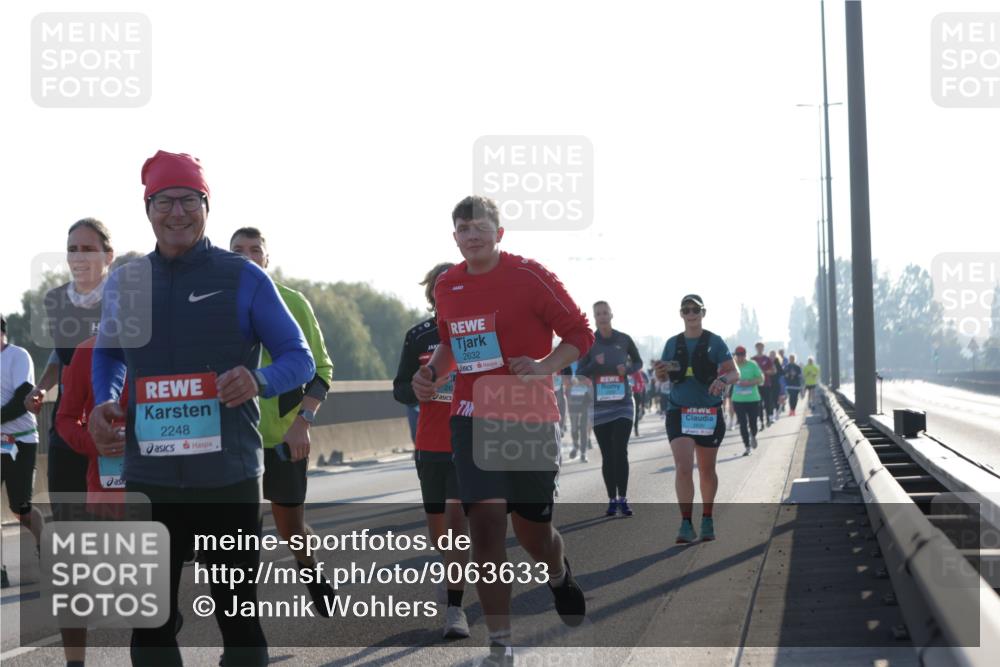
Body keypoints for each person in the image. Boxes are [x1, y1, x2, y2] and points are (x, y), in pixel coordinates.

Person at [89, 150, 315, 667]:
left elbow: (299, 359)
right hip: (149, 475)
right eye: (164, 201)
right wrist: (105, 399)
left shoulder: (243, 277)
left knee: (237, 617)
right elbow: (108, 353)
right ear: (148, 210)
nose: (177, 212)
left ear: (206, 206)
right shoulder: (127, 281)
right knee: (150, 622)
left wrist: (256, 379)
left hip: (226, 476)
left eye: (189, 200)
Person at [412, 195, 592, 667]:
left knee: (532, 534)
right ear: (455, 238)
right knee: (486, 528)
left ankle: (556, 572)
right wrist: (431, 371)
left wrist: (545, 365)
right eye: (463, 229)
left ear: (499, 232)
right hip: (471, 416)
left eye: (480, 227)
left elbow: (579, 333)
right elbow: (450, 347)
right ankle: (501, 644)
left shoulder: (529, 275)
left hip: (527, 413)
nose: (471, 235)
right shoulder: (448, 285)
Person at [229, 227, 338, 614]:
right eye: (237, 250)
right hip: (233, 441)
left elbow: (322, 369)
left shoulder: (292, 302)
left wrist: (301, 423)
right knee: (236, 537)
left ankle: (310, 569)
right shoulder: (214, 304)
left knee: (291, 529)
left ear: (266, 258)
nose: (246, 256)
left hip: (282, 438)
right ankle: (243, 624)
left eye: (254, 250)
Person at [392, 261, 471, 640]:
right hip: (430, 443)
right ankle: (450, 569)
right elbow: (399, 388)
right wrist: (417, 388)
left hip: (468, 440)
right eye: (441, 286)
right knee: (439, 534)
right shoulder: (418, 336)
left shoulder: (478, 331)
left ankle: (456, 609)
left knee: (458, 527)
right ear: (433, 294)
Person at [25, 219, 115, 510]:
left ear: (108, 256)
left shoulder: (127, 299)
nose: (79, 256)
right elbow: (63, 357)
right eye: (72, 249)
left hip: (115, 424)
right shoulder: (56, 300)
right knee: (67, 519)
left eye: (89, 249)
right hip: (70, 422)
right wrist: (40, 388)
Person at [654, 295, 737, 544]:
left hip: (708, 413)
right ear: (681, 314)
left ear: (703, 312)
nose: (691, 314)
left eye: (696, 310)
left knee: (707, 470)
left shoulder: (715, 341)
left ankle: (708, 517)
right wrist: (660, 373)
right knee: (683, 467)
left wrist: (722, 380)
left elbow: (735, 371)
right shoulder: (672, 343)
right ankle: (686, 523)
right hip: (679, 411)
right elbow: (662, 378)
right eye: (686, 310)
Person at [577, 301, 642, 517]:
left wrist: (629, 368)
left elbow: (639, 362)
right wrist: (595, 364)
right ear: (594, 317)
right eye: (598, 313)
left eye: (605, 312)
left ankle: (623, 499)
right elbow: (580, 373)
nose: (602, 316)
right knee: (607, 454)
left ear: (611, 315)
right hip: (600, 406)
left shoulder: (623, 339)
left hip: (623, 403)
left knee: (619, 450)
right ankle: (611, 500)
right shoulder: (589, 342)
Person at [1, 315, 45, 584]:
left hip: (20, 440)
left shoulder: (18, 356)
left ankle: (45, 548)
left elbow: (23, 400)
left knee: (21, 508)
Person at [730, 346, 764, 456]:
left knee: (753, 423)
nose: (740, 358)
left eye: (742, 355)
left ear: (745, 355)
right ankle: (747, 446)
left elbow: (760, 379)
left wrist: (749, 383)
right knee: (743, 424)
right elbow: (727, 378)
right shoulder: (732, 366)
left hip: (753, 399)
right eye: (738, 355)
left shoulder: (752, 364)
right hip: (738, 400)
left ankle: (753, 435)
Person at [567, 374, 592, 462]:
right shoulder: (568, 362)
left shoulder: (586, 362)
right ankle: (575, 445)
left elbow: (591, 381)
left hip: (585, 401)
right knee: (574, 428)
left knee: (583, 429)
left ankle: (583, 453)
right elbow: (564, 381)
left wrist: (582, 382)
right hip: (573, 402)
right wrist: (570, 382)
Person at [751, 342, 775, 429]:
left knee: (767, 403)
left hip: (766, 384)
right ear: (756, 348)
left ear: (763, 348)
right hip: (756, 385)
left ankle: (768, 418)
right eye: (758, 347)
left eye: (761, 347)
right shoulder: (752, 359)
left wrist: (766, 372)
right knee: (759, 404)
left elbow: (773, 370)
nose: (759, 349)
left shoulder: (767, 359)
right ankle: (761, 422)